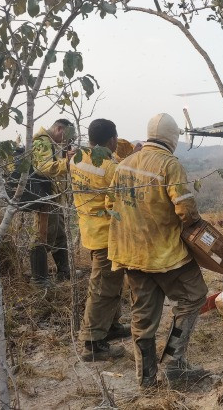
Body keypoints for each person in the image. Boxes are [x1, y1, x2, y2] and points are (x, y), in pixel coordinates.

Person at [107, 113, 209, 388]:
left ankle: (146, 381)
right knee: (195, 296)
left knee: (143, 318)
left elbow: (109, 205)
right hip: (165, 255)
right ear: (172, 138)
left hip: (130, 255)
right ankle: (175, 366)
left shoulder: (123, 165)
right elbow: (186, 211)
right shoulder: (169, 165)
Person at [70, 119, 132, 361]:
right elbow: (122, 203)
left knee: (112, 282)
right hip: (108, 235)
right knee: (102, 288)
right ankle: (93, 343)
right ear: (112, 140)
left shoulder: (76, 160)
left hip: (90, 230)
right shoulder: (110, 168)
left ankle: (111, 326)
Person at [30, 119, 75, 287]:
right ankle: (39, 280)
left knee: (59, 234)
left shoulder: (51, 142)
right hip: (45, 197)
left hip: (55, 197)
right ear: (59, 128)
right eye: (67, 136)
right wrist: (67, 163)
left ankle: (64, 273)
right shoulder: (41, 141)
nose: (67, 141)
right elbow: (44, 167)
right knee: (43, 235)